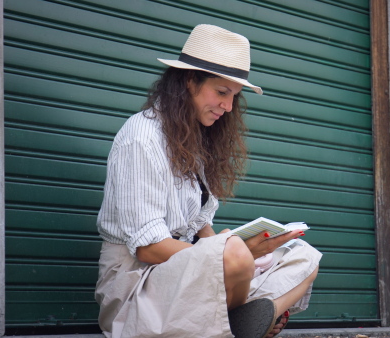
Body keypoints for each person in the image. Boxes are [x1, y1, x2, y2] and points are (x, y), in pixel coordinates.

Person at [94, 24, 322, 338]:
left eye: (234, 96)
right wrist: (228, 255)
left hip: (186, 275)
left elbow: (201, 231)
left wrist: (245, 252)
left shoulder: (192, 141)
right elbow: (147, 249)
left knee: (301, 254)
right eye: (221, 92)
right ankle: (240, 321)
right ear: (189, 80)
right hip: (140, 285)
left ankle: (241, 318)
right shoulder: (142, 138)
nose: (228, 107)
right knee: (234, 253)